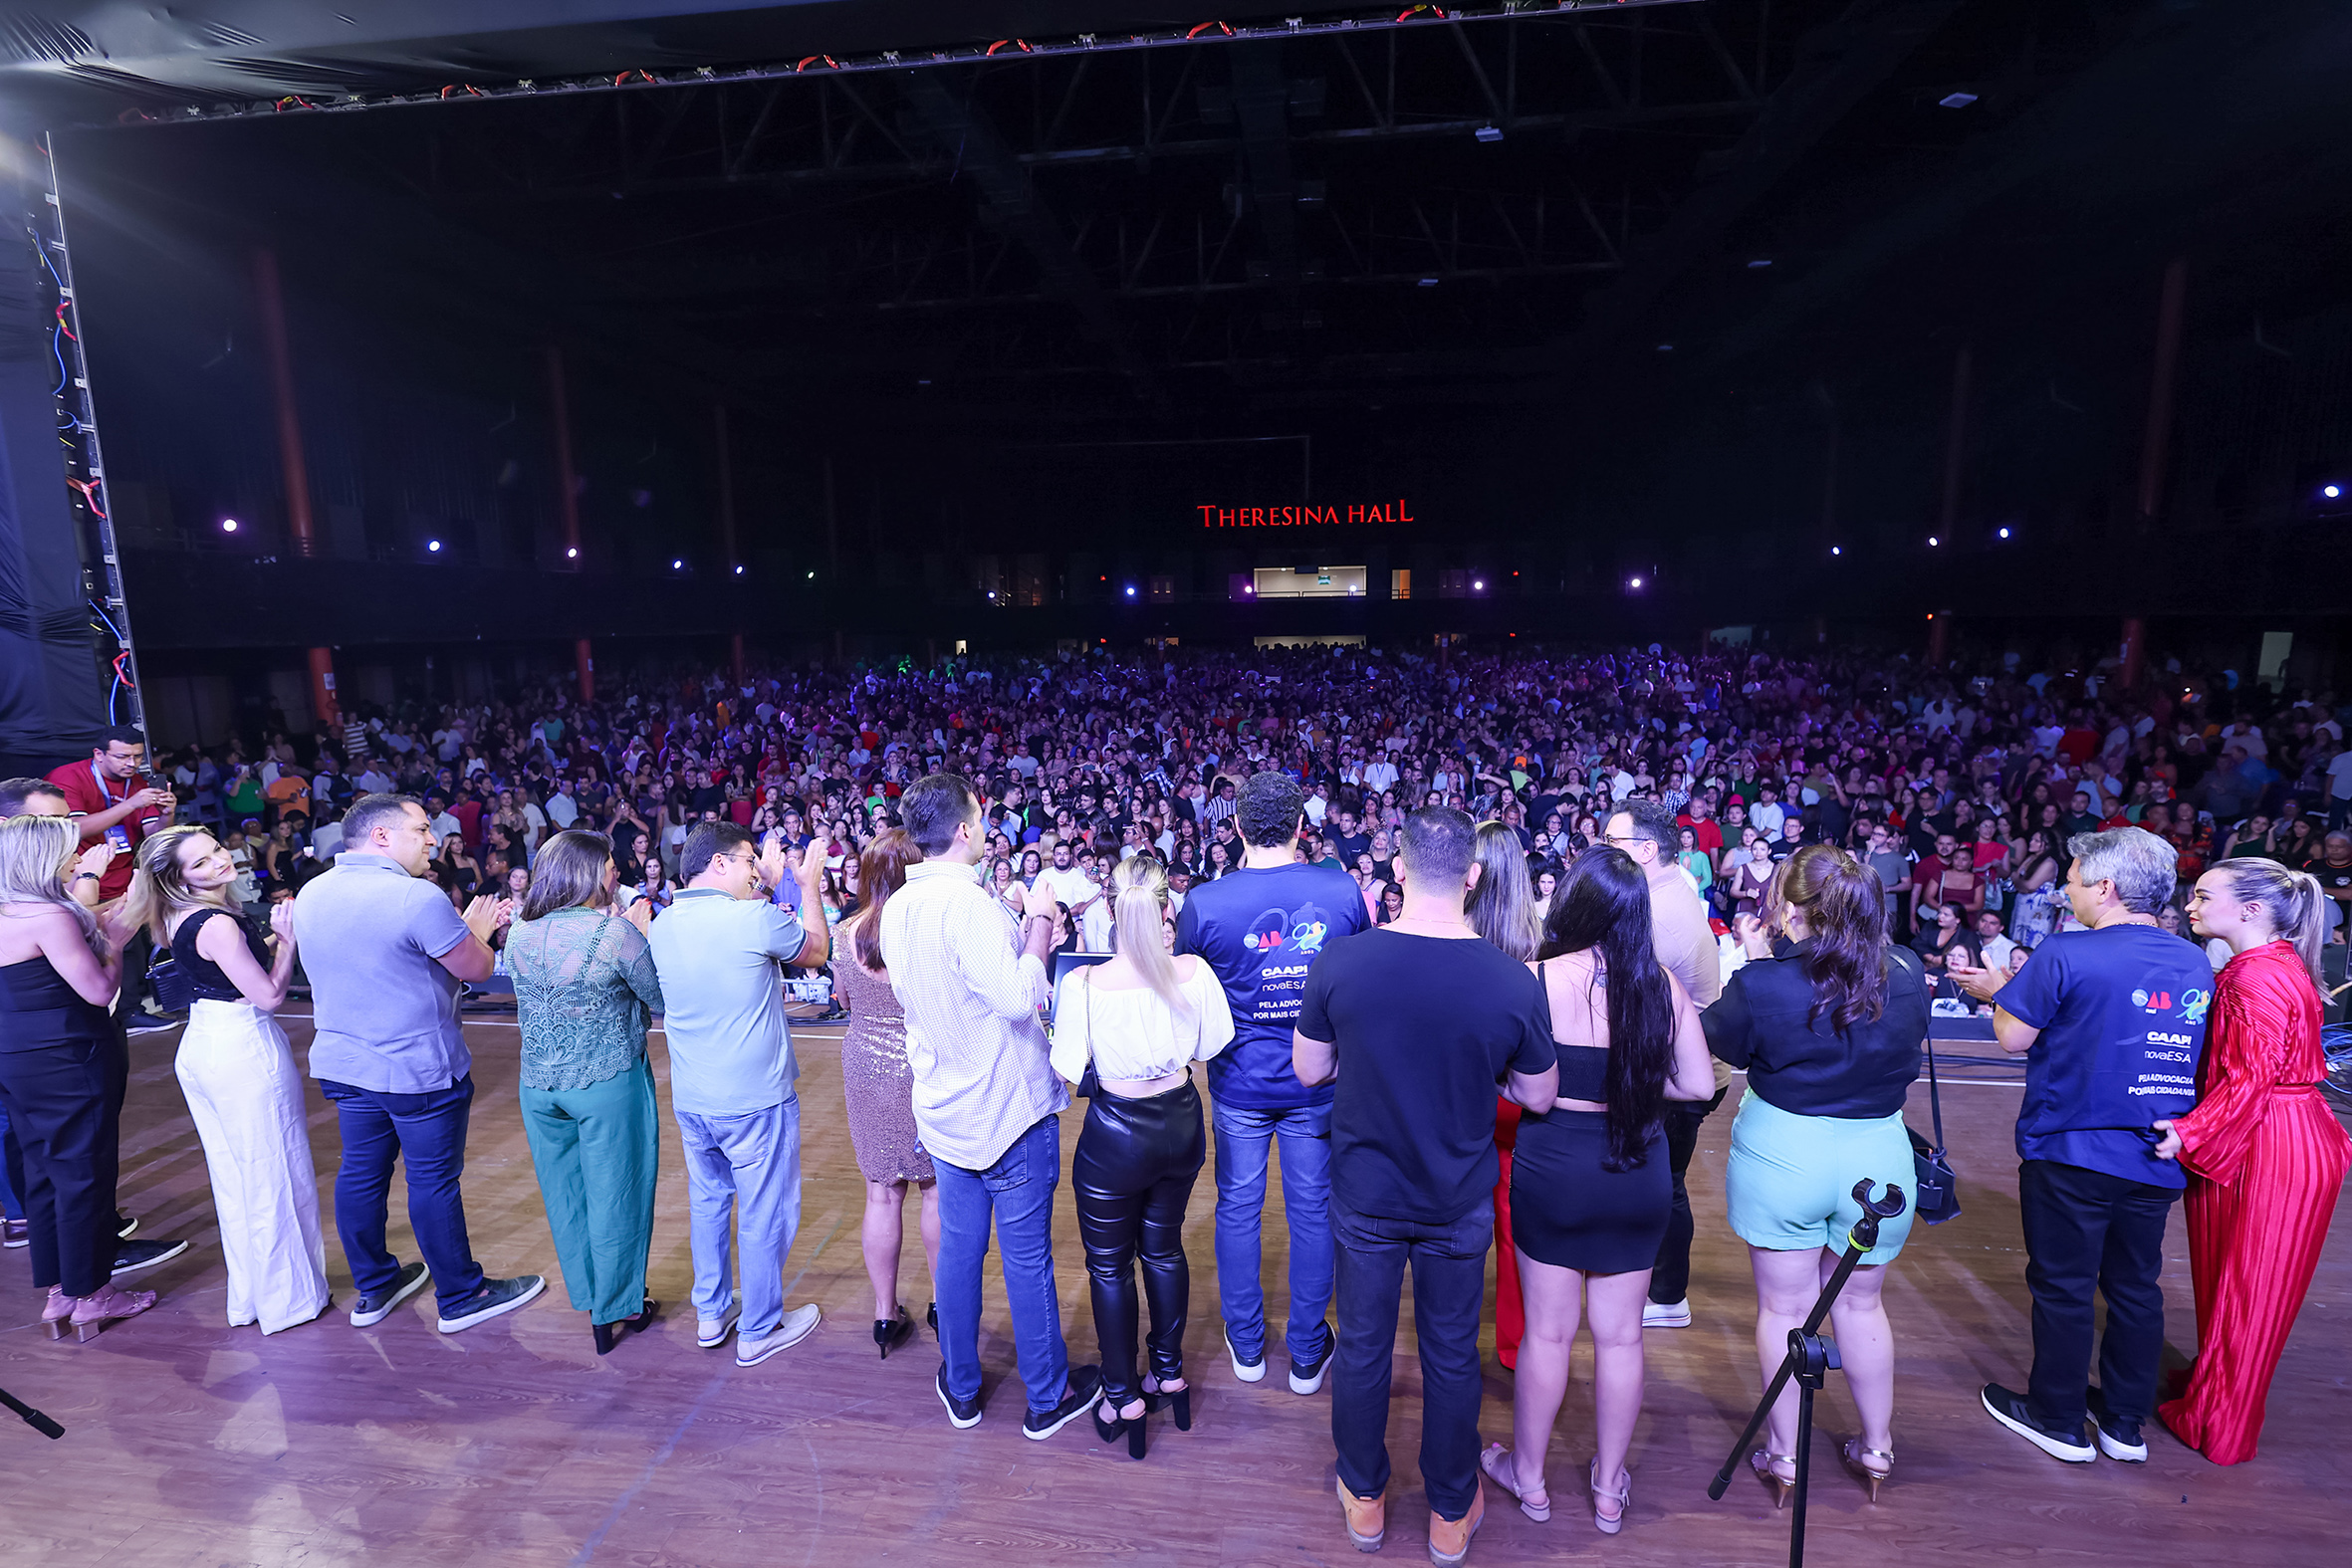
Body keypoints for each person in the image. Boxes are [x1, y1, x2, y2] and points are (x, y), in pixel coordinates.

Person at [1294, 807, 1558, 1566]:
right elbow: (1539, 1092)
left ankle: (1364, 1496)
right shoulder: (1511, 978)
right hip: (1458, 1195)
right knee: (1450, 1352)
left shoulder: (1341, 961)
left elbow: (1309, 1068)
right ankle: (1448, 1510)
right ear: (1472, 876)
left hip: (1367, 1192)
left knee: (1364, 1346)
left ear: (1397, 867)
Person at [1948, 826, 2211, 1464]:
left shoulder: (2067, 951)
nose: (2066, 893)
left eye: (2071, 882)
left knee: (2064, 1288)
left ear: (2106, 886)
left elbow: (2013, 1037)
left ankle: (2058, 1418)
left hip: (2071, 1149)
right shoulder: (2194, 961)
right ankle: (2123, 1424)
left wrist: (1999, 993)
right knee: (2136, 1288)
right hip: (2156, 1151)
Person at [1481, 848, 1713, 1535]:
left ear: (1573, 904)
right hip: (1635, 1169)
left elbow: (1502, 1075)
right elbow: (1699, 1084)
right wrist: (1630, 1082)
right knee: (1621, 1340)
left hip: (1554, 1169)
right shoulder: (1660, 985)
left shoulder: (1533, 979)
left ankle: (1529, 1477)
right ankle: (1610, 1489)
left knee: (1548, 1335)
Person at [1705, 845, 1932, 1503]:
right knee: (1861, 1303)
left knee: (1784, 1307)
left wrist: (1757, 959)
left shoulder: (1761, 983)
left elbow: (1720, 1043)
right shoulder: (1906, 971)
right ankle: (1877, 1446)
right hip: (1877, 1159)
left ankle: (1784, 1455)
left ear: (1792, 909)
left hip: (1786, 1152)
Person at [880, 774, 1103, 1438]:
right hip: (1006, 1108)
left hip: (945, 1108)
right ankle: (1047, 1395)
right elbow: (1016, 997)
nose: (985, 829)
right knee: (1026, 1258)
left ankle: (962, 1386)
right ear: (964, 829)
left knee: (958, 1254)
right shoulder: (968, 905)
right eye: (980, 820)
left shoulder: (898, 906)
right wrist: (1038, 923)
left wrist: (1014, 929)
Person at [295, 792, 544, 1333]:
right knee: (432, 1181)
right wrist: (474, 928)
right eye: (422, 829)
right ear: (381, 836)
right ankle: (462, 1295)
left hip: (345, 1064)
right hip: (415, 1069)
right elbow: (477, 968)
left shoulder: (313, 891)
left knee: (361, 1173)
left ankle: (375, 1286)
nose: (432, 839)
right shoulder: (415, 897)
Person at [1173, 772, 1370, 1394]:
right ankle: (1307, 1352)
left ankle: (1248, 1344)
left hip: (1239, 1082)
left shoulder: (1206, 901)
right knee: (1312, 1212)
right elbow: (1361, 979)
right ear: (1300, 828)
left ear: (1234, 827)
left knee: (1238, 1208)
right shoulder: (1341, 889)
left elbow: (1186, 989)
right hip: (1319, 1079)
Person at [2153, 858, 2352, 1463]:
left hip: (2269, 1140)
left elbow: (2251, 1077)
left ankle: (2220, 1425)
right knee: (2248, 1287)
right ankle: (2214, 1389)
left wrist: (2190, 1131)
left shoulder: (2253, 976)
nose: (2190, 905)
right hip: (2294, 1132)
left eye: (2203, 895)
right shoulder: (2279, 962)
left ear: (2251, 909)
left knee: (2247, 1288)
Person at [1052, 857, 1235, 1458]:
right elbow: (1212, 1045)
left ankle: (1122, 1394)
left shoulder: (1084, 985)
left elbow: (1067, 1067)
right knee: (1164, 1248)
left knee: (1110, 1267)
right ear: (1165, 910)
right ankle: (1168, 1374)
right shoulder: (1195, 972)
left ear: (1109, 909)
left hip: (1116, 1133)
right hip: (1181, 1121)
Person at [122, 826, 330, 1334]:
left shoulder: (174, 915)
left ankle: (255, 1298)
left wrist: (270, 937)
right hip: (241, 1046)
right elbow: (269, 995)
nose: (219, 861)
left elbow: (225, 968)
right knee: (272, 1172)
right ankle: (288, 1301)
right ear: (178, 878)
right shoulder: (215, 922)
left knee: (239, 1179)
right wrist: (288, 943)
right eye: (200, 862)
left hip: (205, 1042)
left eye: (215, 850)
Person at [644, 820, 828, 1366]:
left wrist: (762, 886)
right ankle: (760, 1328)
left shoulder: (662, 923)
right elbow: (816, 950)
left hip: (693, 1098)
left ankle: (712, 1312)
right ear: (719, 863)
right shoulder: (753, 918)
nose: (756, 870)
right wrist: (805, 884)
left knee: (708, 1205)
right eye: (750, 861)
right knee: (764, 1211)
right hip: (754, 1099)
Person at [0, 814, 186, 1340]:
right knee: (85, 1173)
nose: (78, 858)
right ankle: (94, 1295)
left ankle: (61, 1290)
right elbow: (100, 991)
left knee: (42, 1171)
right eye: (70, 850)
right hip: (66, 1056)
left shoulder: (14, 909)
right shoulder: (49, 916)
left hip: (15, 1056)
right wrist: (116, 943)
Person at [502, 829, 666, 1356]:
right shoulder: (614, 934)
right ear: (592, 873)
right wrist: (638, 934)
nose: (618, 873)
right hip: (605, 1078)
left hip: (538, 1083)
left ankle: (592, 1298)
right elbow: (658, 996)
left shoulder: (520, 933)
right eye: (612, 866)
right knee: (618, 1194)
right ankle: (619, 1307)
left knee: (566, 1198)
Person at [1601, 798, 1726, 1331]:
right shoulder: (1666, 889)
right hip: (1675, 1066)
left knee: (1665, 1186)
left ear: (1647, 850)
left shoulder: (1659, 915)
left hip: (1679, 1075)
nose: (1603, 849)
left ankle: (1669, 1295)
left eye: (1613, 841)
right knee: (1659, 1181)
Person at [831, 829, 940, 1358]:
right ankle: (944, 1302)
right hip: (922, 1063)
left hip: (866, 1066)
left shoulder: (844, 933)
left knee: (881, 1191)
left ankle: (883, 1313)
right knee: (935, 1190)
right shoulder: (925, 929)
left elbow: (845, 999)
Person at [1463, 820, 1542, 1372]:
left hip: (1462, 1098)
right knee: (1513, 1232)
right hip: (1517, 1099)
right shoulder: (1542, 940)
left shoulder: (1451, 933)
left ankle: (1452, 1339)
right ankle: (1516, 1347)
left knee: (1458, 1225)